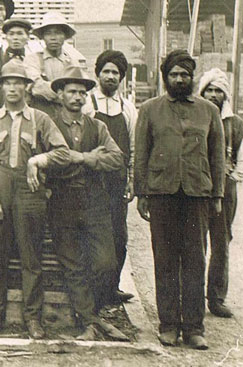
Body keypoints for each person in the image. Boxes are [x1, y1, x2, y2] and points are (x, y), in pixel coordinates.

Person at [0, 59, 70, 339]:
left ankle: (33, 318)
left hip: (30, 192)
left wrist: (40, 158)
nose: (13, 88)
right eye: (7, 83)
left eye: (18, 82)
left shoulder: (40, 119)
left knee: (31, 258)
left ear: (27, 87)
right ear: (1, 87)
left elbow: (62, 152)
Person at [134, 50, 225, 350]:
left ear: (191, 77)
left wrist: (217, 195)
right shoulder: (150, 109)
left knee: (196, 261)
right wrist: (142, 193)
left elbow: (217, 157)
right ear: (165, 77)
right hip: (162, 193)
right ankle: (169, 325)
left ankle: (194, 327)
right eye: (173, 74)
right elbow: (141, 154)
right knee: (166, 260)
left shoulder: (209, 111)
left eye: (184, 74)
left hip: (197, 194)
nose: (179, 79)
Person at [46, 67, 127, 341]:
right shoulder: (49, 124)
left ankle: (95, 316)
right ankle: (92, 323)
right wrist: (86, 158)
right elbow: (47, 160)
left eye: (82, 92)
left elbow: (117, 159)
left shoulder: (97, 126)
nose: (78, 97)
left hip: (95, 201)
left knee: (106, 262)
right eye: (72, 91)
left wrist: (87, 159)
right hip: (62, 200)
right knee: (73, 265)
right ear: (60, 94)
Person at [81, 49, 137, 305]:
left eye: (116, 73)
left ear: (121, 77)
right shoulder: (87, 104)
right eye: (106, 71)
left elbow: (133, 147)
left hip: (117, 182)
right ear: (98, 73)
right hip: (92, 180)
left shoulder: (127, 108)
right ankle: (92, 291)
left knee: (118, 235)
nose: (111, 77)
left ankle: (111, 288)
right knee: (92, 234)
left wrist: (132, 179)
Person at [197, 68, 243, 320]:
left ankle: (216, 298)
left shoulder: (235, 123)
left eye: (219, 91)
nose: (214, 95)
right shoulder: (195, 117)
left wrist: (231, 176)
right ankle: (193, 294)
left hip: (225, 191)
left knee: (221, 243)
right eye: (209, 90)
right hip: (198, 189)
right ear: (202, 91)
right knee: (196, 242)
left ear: (225, 95)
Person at [24, 11, 86, 117]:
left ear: (64, 36)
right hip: (38, 116)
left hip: (65, 118)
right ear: (43, 37)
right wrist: (66, 94)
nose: (53, 37)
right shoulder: (33, 59)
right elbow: (37, 88)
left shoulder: (72, 62)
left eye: (57, 33)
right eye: (48, 33)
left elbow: (79, 91)